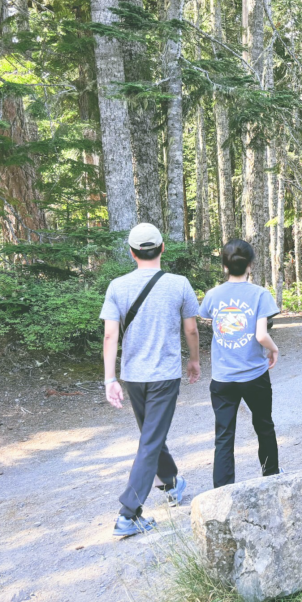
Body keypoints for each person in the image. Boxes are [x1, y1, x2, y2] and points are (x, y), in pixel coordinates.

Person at [101, 223, 201, 538]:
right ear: (162, 249)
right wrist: (195, 360)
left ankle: (171, 483)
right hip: (164, 375)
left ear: (131, 253)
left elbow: (109, 335)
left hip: (133, 377)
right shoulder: (179, 284)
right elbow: (192, 330)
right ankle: (128, 514)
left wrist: (109, 379)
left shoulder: (117, 286)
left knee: (150, 436)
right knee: (151, 439)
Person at [199, 239, 281, 488]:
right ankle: (271, 477)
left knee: (224, 436)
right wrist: (273, 349)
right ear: (251, 265)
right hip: (254, 376)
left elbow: (207, 317)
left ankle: (223, 489)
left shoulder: (213, 296)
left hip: (223, 378)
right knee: (264, 426)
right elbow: (260, 335)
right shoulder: (260, 295)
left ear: (224, 266)